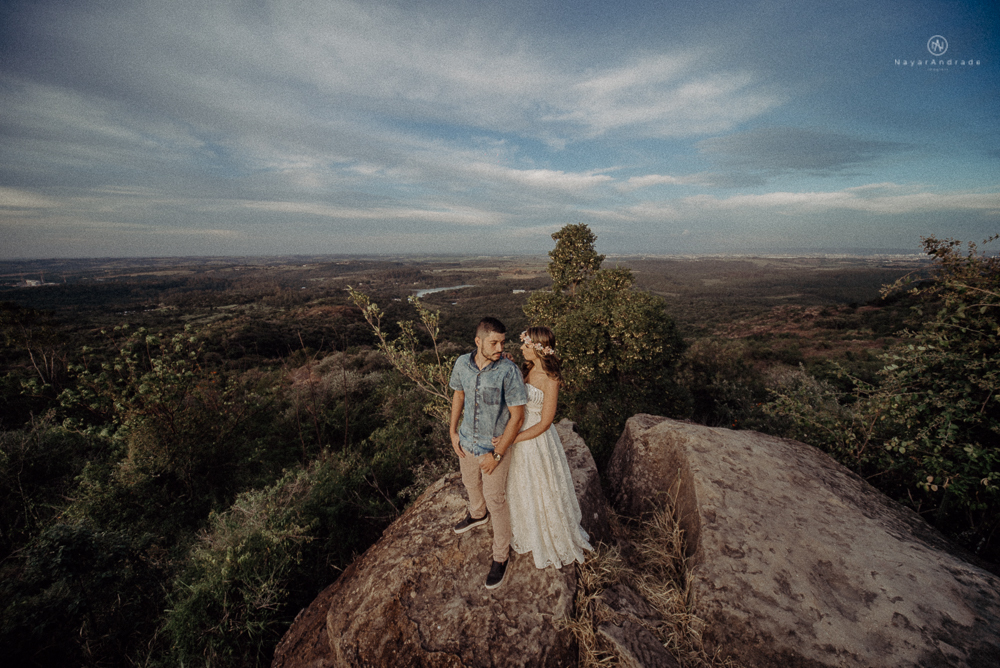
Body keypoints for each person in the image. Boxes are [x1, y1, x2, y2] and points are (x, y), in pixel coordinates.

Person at [496, 326, 592, 570]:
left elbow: (546, 421)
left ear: (539, 349)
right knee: (519, 484)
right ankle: (524, 528)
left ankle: (546, 533)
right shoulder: (525, 369)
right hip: (516, 428)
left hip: (535, 438)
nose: (521, 348)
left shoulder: (551, 379)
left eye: (526, 345)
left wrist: (513, 439)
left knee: (539, 485)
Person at [449, 317, 528, 589]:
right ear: (478, 341)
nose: (499, 347)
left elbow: (517, 417)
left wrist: (496, 455)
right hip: (466, 440)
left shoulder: (508, 370)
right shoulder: (461, 364)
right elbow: (458, 396)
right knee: (470, 483)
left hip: (493, 447)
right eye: (493, 342)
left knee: (496, 500)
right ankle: (476, 513)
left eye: (502, 342)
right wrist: (452, 432)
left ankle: (500, 556)